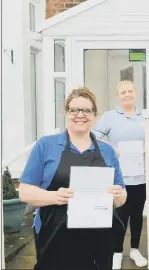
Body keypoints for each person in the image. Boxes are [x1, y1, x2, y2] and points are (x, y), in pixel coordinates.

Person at [18, 86, 127, 270]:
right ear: (66, 112)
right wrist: (55, 197)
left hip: (99, 237)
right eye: (74, 109)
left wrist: (118, 196)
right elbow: (24, 192)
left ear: (94, 114)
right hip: (54, 236)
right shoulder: (46, 145)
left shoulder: (108, 151)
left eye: (86, 110)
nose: (80, 115)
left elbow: (122, 196)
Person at [93, 80, 148, 269]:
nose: (127, 94)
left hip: (141, 176)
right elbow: (93, 137)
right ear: (118, 96)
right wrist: (111, 149)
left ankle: (134, 250)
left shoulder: (145, 117)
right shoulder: (110, 117)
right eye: (123, 92)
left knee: (137, 214)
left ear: (136, 93)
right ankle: (117, 252)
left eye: (130, 91)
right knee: (119, 215)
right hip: (119, 177)